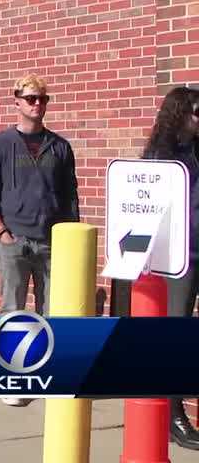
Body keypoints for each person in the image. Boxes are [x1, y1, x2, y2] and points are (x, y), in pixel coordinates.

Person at [0, 74, 79, 407]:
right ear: (16, 101)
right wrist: (1, 232)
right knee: (13, 310)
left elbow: (70, 199)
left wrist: (70, 239)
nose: (37, 104)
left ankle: (47, 376)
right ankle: (14, 381)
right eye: (31, 98)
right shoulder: (1, 145)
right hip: (13, 241)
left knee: (52, 311)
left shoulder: (60, 147)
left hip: (51, 243)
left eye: (43, 99)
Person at [141, 86, 199, 449]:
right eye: (197, 112)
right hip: (180, 259)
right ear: (179, 113)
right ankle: (172, 415)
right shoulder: (161, 156)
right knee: (175, 334)